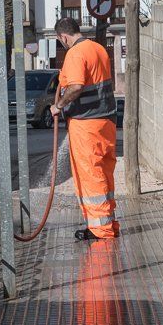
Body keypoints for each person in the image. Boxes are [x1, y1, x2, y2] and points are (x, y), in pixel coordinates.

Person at [49, 17, 119, 240]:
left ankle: (100, 229)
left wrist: (58, 105)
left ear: (63, 37)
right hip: (106, 121)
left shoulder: (76, 53)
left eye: (61, 41)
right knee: (104, 172)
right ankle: (108, 222)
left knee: (90, 174)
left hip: (86, 124)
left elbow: (77, 86)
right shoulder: (97, 49)